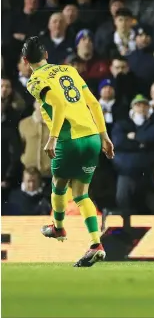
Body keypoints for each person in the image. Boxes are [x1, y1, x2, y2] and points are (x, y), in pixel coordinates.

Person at [21, 36, 114, 267]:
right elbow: (93, 103)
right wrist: (104, 136)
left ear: (25, 60)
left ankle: (59, 228)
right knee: (82, 194)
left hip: (67, 139)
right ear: (47, 56)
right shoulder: (68, 70)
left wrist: (52, 138)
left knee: (58, 185)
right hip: (92, 136)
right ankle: (96, 244)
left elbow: (59, 105)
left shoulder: (35, 81)